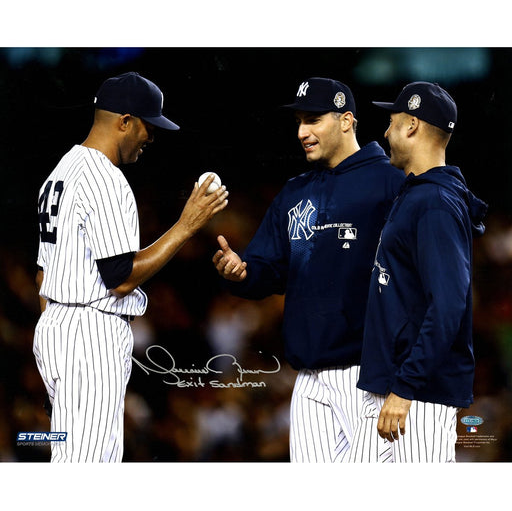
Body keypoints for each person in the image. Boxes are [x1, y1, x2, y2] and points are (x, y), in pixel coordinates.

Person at [33, 72, 228, 462]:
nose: (150, 137)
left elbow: (43, 275)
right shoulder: (105, 178)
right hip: (89, 332)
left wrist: (56, 345)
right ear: (124, 121)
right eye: (146, 125)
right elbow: (121, 279)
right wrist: (186, 224)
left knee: (76, 456)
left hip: (56, 325)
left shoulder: (61, 171)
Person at [212, 77, 405, 462]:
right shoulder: (295, 191)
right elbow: (267, 267)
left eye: (314, 120)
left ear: (347, 120)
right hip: (308, 378)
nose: (303, 132)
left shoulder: (390, 181)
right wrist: (242, 272)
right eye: (300, 121)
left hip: (368, 376)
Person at [351, 81, 488, 462]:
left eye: (392, 121)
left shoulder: (435, 202)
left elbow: (447, 306)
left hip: (416, 399)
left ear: (411, 125)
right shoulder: (419, 193)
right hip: (394, 389)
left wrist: (406, 388)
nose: (385, 131)